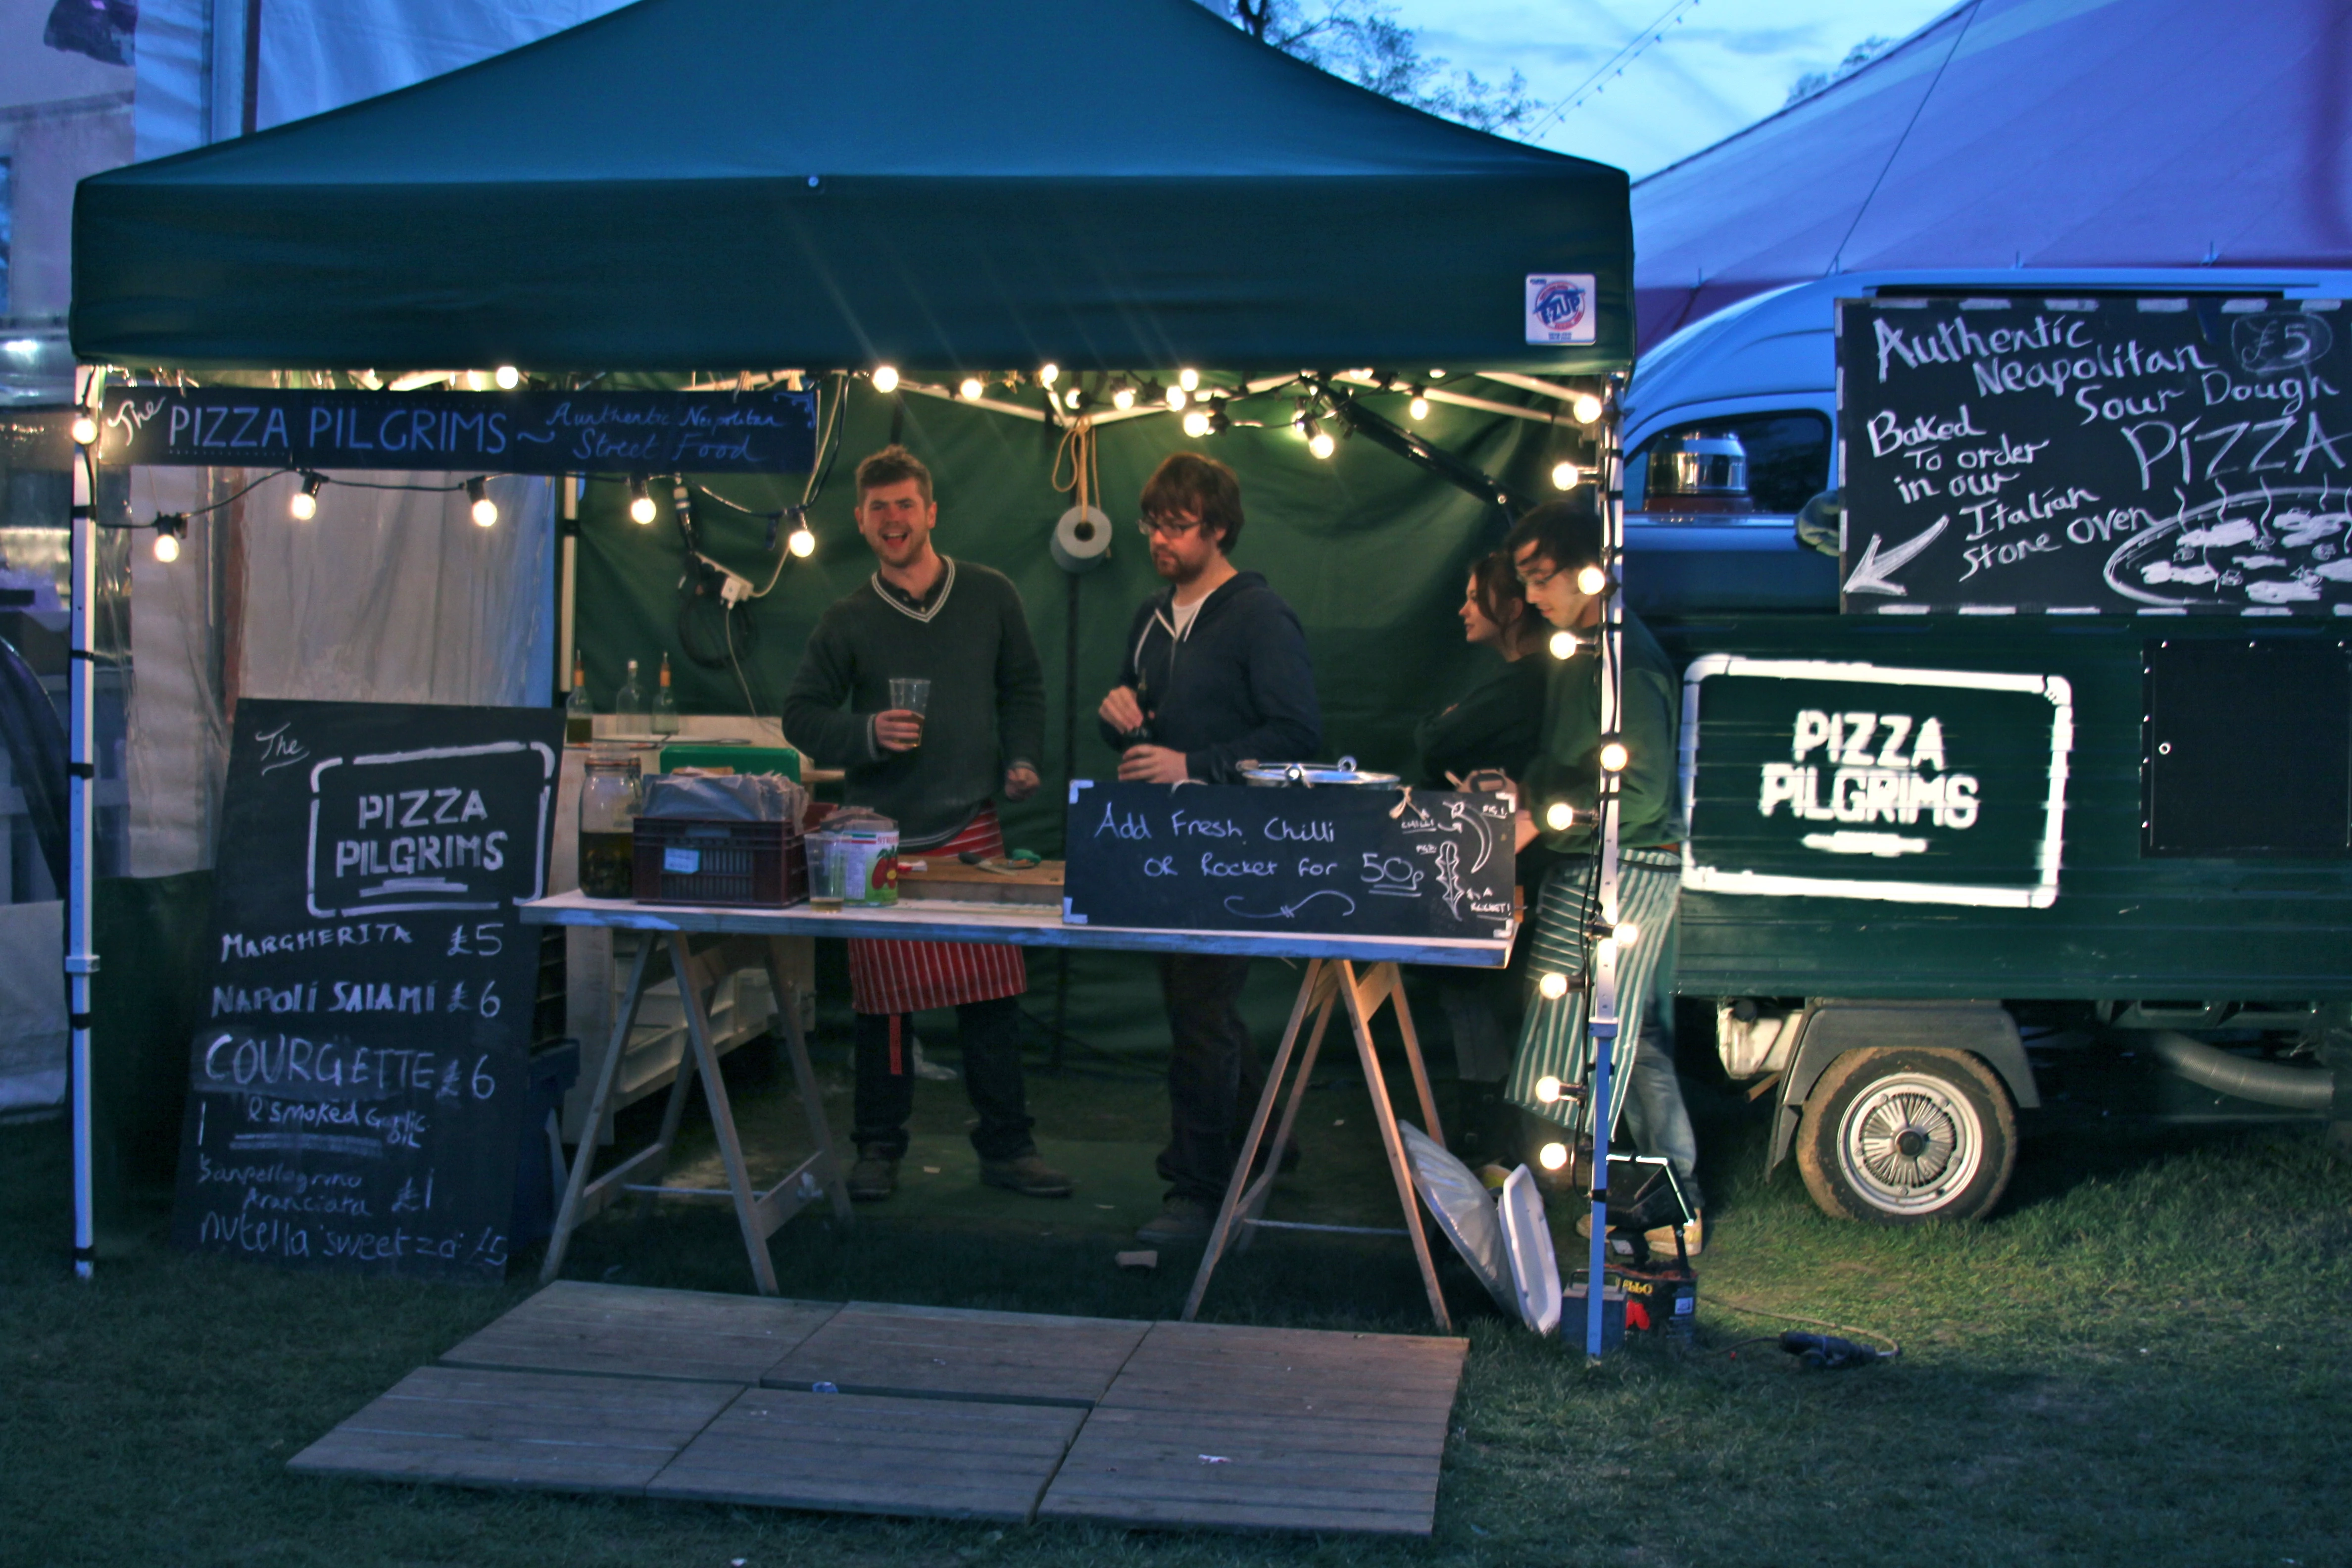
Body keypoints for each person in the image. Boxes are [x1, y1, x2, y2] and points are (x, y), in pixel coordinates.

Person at [781, 444, 1071, 1202]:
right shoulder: (846, 619)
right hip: (877, 833)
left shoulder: (991, 594)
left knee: (992, 997)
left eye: (905, 504)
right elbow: (800, 716)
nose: (893, 519)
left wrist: (1024, 757)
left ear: (931, 511)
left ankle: (1008, 1147)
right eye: (878, 508)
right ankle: (878, 1149)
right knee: (881, 1006)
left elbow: (1024, 687)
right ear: (861, 522)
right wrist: (867, 733)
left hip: (972, 822)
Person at [1095, 451, 1321, 1244]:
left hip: (1236, 846)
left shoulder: (1260, 617)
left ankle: (1195, 1190)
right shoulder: (1150, 618)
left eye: (1177, 525)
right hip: (1164, 844)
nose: (1160, 537)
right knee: (1202, 1005)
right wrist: (1119, 714)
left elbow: (1298, 740)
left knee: (1199, 1012)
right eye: (1152, 522)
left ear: (1218, 527)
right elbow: (1141, 722)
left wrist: (1195, 767)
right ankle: (1268, 1141)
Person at [1502, 495, 1704, 1253]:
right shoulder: (1577, 653)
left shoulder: (1627, 662)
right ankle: (1660, 1202)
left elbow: (1643, 793)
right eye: (1523, 580)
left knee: (1602, 1035)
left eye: (1541, 577)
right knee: (1627, 1036)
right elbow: (1567, 764)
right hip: (1597, 859)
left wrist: (1544, 811)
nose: (1530, 596)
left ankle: (1633, 1198)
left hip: (1632, 864)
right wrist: (1526, 793)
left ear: (1591, 572)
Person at [1414, 550, 1551, 1163]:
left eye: (1476, 596)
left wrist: (1443, 725)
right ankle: (1490, 1136)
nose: (1463, 607)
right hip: (1494, 860)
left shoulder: (1530, 680)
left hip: (1509, 867)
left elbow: (1437, 738)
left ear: (1512, 607)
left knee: (1476, 994)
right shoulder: (1523, 678)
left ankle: (1487, 1135)